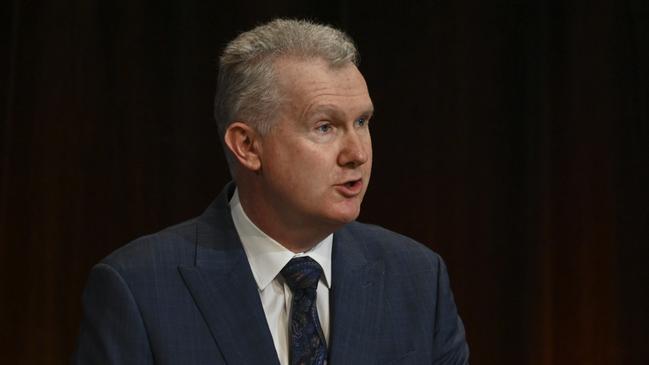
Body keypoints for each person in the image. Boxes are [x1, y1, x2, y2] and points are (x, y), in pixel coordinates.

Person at [72, 19, 469, 364]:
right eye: (325, 127)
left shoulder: (417, 278)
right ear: (248, 146)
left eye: (362, 122)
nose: (357, 153)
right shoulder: (138, 288)